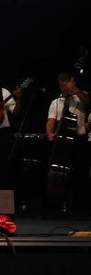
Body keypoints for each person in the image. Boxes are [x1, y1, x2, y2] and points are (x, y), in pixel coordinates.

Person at [46, 72, 89, 215]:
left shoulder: (81, 97)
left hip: (79, 139)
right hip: (62, 141)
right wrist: (49, 133)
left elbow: (89, 101)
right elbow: (51, 121)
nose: (63, 88)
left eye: (65, 85)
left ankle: (79, 207)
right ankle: (58, 204)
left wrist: (74, 90)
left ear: (72, 82)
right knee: (60, 174)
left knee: (80, 173)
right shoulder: (56, 102)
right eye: (61, 86)